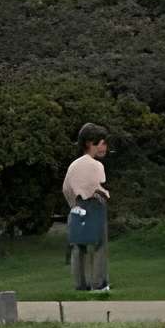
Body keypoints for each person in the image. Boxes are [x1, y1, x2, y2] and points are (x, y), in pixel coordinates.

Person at [62, 124, 112, 295]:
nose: (105, 147)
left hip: (77, 205)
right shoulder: (96, 165)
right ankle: (99, 284)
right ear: (91, 143)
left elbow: (66, 189)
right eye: (102, 143)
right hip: (94, 205)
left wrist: (73, 204)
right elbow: (99, 186)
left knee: (79, 246)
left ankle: (80, 285)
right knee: (99, 245)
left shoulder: (73, 166)